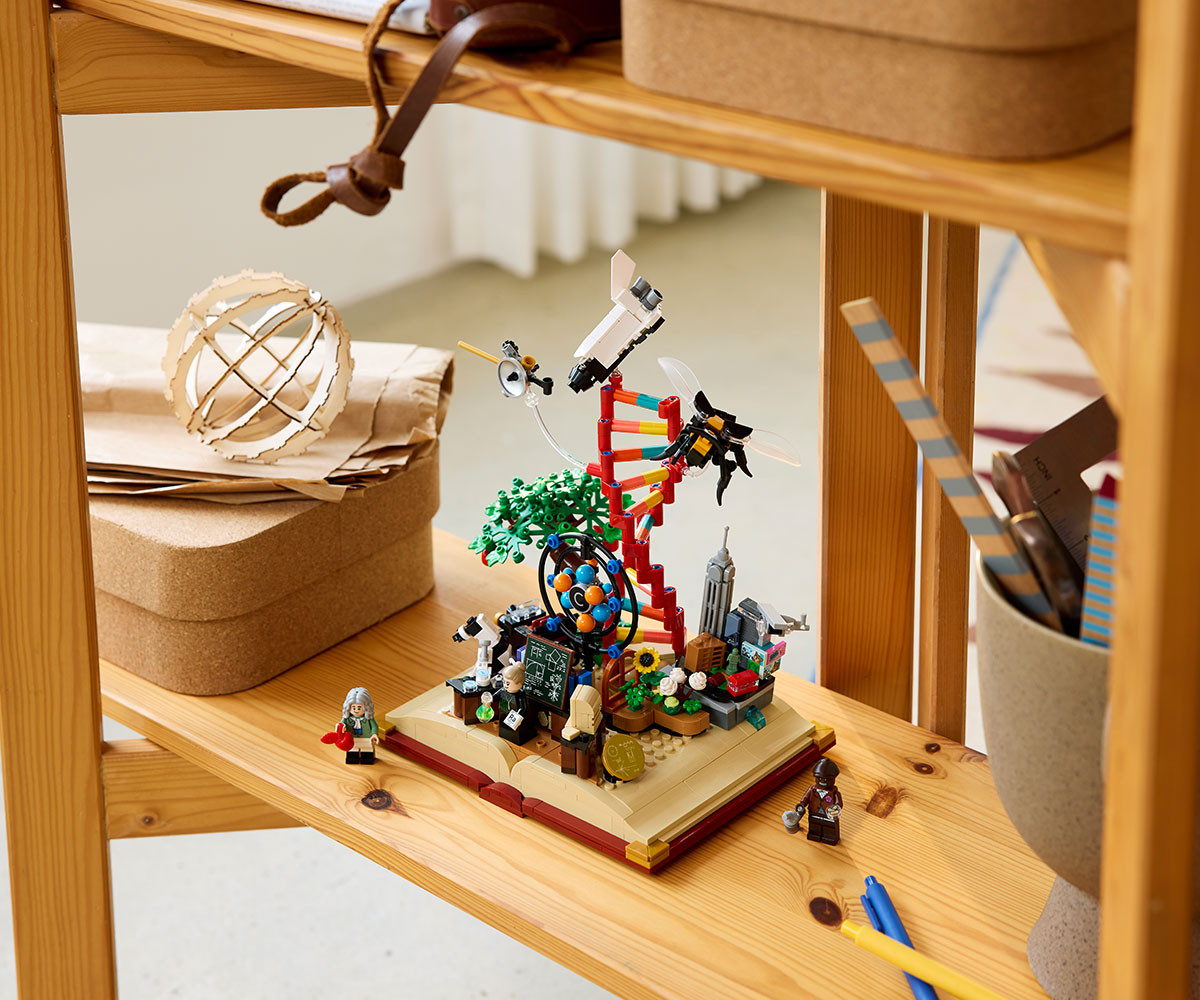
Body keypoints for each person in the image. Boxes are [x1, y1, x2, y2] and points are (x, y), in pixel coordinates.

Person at [783, 757, 843, 845]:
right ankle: (814, 834)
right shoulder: (812, 790)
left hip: (828, 816)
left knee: (829, 827)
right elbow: (805, 798)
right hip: (814, 813)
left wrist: (835, 809)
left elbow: (838, 803)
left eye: (826, 779)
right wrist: (802, 804)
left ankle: (830, 837)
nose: (822, 781)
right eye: (819, 779)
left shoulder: (834, 793)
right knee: (814, 825)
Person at [341, 687, 379, 765]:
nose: (356, 710)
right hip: (351, 738)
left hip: (366, 738)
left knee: (367, 750)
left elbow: (374, 726)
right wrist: (341, 728)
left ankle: (367, 759)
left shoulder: (369, 718)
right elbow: (341, 724)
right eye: (353, 707)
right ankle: (352, 758)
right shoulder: (347, 718)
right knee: (352, 750)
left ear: (366, 707)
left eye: (359, 708)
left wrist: (374, 734)